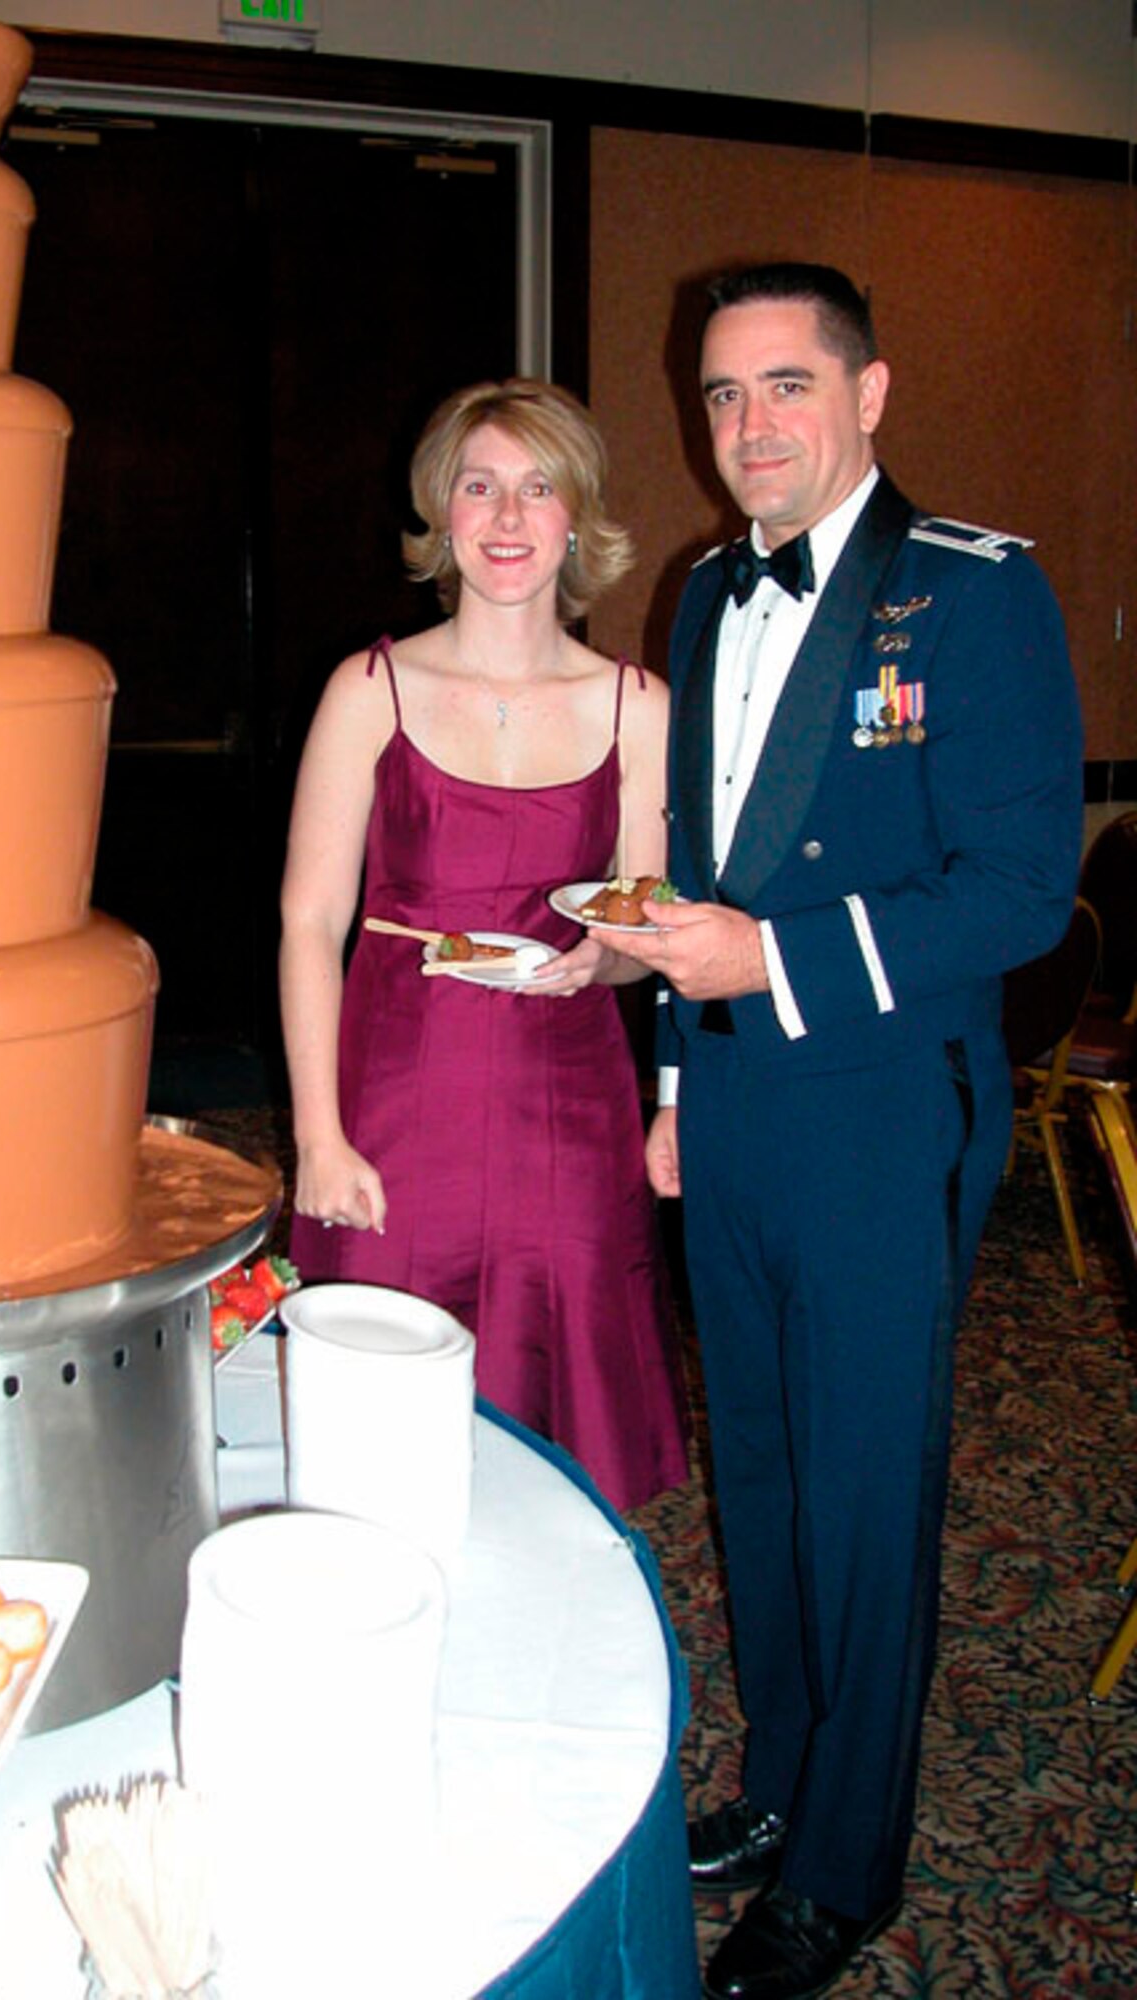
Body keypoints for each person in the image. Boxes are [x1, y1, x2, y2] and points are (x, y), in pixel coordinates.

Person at [597, 264, 1084, 1999]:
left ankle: (854, 1864)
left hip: (883, 1102)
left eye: (786, 387)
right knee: (769, 1465)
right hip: (728, 1104)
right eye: (723, 396)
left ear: (869, 396)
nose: (750, 428)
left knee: (867, 1489)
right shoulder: (702, 593)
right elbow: (698, 877)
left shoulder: (976, 594)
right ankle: (789, 1784)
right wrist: (668, 1085)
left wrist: (776, 963)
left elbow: (1024, 890)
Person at [278, 377, 689, 1512]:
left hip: (566, 1110)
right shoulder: (368, 689)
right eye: (479, 486)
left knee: (560, 1414)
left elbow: (640, 925)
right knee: (376, 1425)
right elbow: (308, 923)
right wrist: (317, 1133)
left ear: (575, 517)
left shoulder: (636, 707)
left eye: (537, 488)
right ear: (442, 513)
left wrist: (600, 959)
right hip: (395, 1103)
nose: (507, 518)